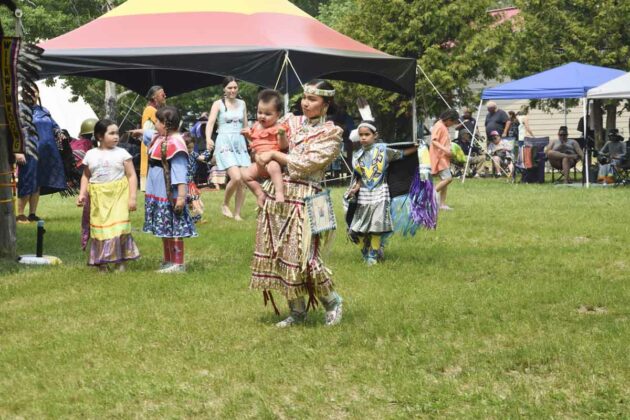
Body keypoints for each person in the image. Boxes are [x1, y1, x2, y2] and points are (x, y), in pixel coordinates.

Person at [250, 79, 344, 328]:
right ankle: (297, 311)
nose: (305, 103)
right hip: (280, 195)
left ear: (326, 104)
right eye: (304, 97)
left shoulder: (331, 133)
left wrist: (275, 155)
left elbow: (306, 163)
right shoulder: (291, 122)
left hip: (310, 199)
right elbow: (265, 136)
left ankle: (333, 302)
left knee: (307, 258)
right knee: (280, 254)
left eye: (312, 99)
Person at [345, 121, 417, 265]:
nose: (364, 137)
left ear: (375, 135)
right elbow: (361, 177)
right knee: (356, 228)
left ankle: (373, 253)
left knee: (377, 225)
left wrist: (417, 147)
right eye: (361, 135)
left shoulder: (383, 150)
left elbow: (402, 154)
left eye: (367, 134)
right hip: (364, 195)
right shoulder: (357, 155)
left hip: (381, 192)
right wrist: (355, 188)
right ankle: (365, 250)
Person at [76, 119, 140, 272]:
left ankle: (120, 262)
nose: (116, 136)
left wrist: (132, 197)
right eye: (111, 133)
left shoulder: (122, 153)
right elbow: (86, 176)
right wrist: (82, 194)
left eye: (117, 133)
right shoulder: (90, 154)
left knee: (119, 229)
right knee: (101, 230)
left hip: (118, 196)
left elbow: (131, 175)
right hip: (98, 198)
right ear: (99, 136)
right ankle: (102, 263)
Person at [144, 106, 197, 273]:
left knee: (174, 229)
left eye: (157, 122)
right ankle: (168, 260)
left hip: (170, 196)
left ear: (166, 125)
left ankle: (178, 263)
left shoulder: (176, 144)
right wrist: (138, 131)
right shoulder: (160, 138)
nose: (155, 125)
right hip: (158, 193)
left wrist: (181, 197)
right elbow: (146, 134)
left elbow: (180, 173)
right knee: (164, 229)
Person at [14, 86, 67, 223]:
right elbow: (13, 133)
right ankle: (19, 214)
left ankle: (32, 214)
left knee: (37, 183)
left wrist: (59, 133)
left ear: (38, 94)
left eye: (33, 91)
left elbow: (54, 126)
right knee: (27, 181)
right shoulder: (18, 110)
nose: (30, 94)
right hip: (28, 151)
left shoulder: (44, 111)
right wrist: (17, 151)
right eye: (26, 92)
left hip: (46, 152)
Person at [205, 76, 250, 221]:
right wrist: (208, 138)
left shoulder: (242, 103)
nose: (233, 90)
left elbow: (245, 125)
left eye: (235, 87)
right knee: (236, 177)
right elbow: (211, 123)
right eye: (230, 88)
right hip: (224, 141)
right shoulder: (218, 104)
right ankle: (225, 204)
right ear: (224, 89)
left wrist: (252, 140)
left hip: (239, 143)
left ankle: (237, 213)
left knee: (243, 180)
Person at [241, 89, 289, 207]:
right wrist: (248, 136)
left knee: (274, 167)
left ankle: (279, 193)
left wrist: (282, 135)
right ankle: (259, 194)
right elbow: (256, 142)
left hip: (272, 162)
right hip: (259, 164)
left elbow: (283, 146)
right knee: (245, 175)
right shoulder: (256, 126)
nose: (262, 116)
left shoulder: (279, 128)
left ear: (278, 114)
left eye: (268, 114)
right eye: (260, 112)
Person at [430, 109, 459, 211]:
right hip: (439, 157)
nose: (452, 125)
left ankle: (441, 204)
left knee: (444, 181)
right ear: (448, 119)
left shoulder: (444, 126)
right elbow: (434, 141)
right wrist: (445, 150)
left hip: (444, 157)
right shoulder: (439, 125)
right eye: (453, 122)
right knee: (448, 179)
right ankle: (430, 195)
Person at [139, 85, 167, 190]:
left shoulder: (154, 109)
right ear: (155, 97)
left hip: (154, 142)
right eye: (162, 95)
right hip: (149, 143)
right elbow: (164, 124)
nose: (165, 96)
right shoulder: (150, 109)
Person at [183, 133, 210, 223]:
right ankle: (200, 215)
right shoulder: (181, 155)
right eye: (188, 147)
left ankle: (196, 217)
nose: (190, 150)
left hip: (190, 181)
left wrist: (208, 150)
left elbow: (202, 158)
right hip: (185, 181)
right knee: (194, 199)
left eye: (192, 147)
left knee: (194, 199)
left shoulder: (193, 154)